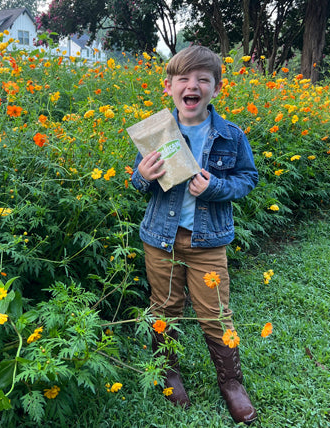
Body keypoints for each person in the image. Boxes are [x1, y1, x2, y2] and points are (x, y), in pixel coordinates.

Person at [131, 45, 258, 424]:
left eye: (203, 79)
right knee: (164, 309)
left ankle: (231, 383)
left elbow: (248, 178)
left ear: (216, 88)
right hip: (160, 240)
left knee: (215, 313)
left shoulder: (231, 136)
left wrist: (216, 187)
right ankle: (168, 374)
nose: (193, 86)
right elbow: (138, 181)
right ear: (168, 86)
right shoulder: (156, 132)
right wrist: (144, 176)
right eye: (184, 79)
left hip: (208, 244)